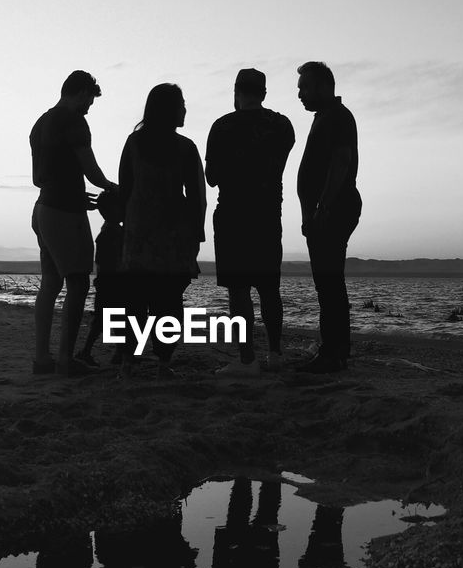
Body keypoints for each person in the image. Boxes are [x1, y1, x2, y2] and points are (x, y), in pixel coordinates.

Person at [205, 68, 295, 376]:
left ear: (236, 92)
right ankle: (275, 353)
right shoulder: (283, 126)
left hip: (232, 214)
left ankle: (247, 359)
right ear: (264, 94)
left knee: (238, 289)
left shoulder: (222, 126)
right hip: (268, 213)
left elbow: (212, 177)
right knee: (270, 287)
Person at [30, 70, 118, 377]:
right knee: (78, 282)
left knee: (51, 284)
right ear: (80, 92)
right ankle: (66, 361)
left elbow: (43, 174)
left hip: (43, 208)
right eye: (90, 99)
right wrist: (111, 187)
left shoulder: (41, 122)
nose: (90, 106)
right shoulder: (74, 121)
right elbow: (90, 169)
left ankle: (42, 359)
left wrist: (78, 195)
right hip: (64, 213)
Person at [116, 83, 205, 376]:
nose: (185, 109)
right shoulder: (186, 148)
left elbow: (125, 190)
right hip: (171, 237)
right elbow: (197, 199)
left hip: (139, 235)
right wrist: (196, 235)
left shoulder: (134, 143)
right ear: (169, 109)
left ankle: (129, 359)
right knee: (168, 303)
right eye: (181, 104)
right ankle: (163, 361)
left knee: (135, 302)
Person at [294, 61, 361, 373]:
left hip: (334, 209)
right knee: (327, 282)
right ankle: (334, 350)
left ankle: (333, 353)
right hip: (324, 212)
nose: (299, 94)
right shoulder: (324, 117)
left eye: (304, 87)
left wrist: (322, 207)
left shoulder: (338, 117)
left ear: (323, 86)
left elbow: (341, 160)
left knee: (330, 282)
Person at [75, 189, 128, 367]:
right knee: (108, 319)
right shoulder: (109, 234)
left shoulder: (112, 231)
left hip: (110, 282)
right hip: (110, 282)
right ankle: (92, 351)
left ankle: (117, 352)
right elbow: (105, 262)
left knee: (110, 318)